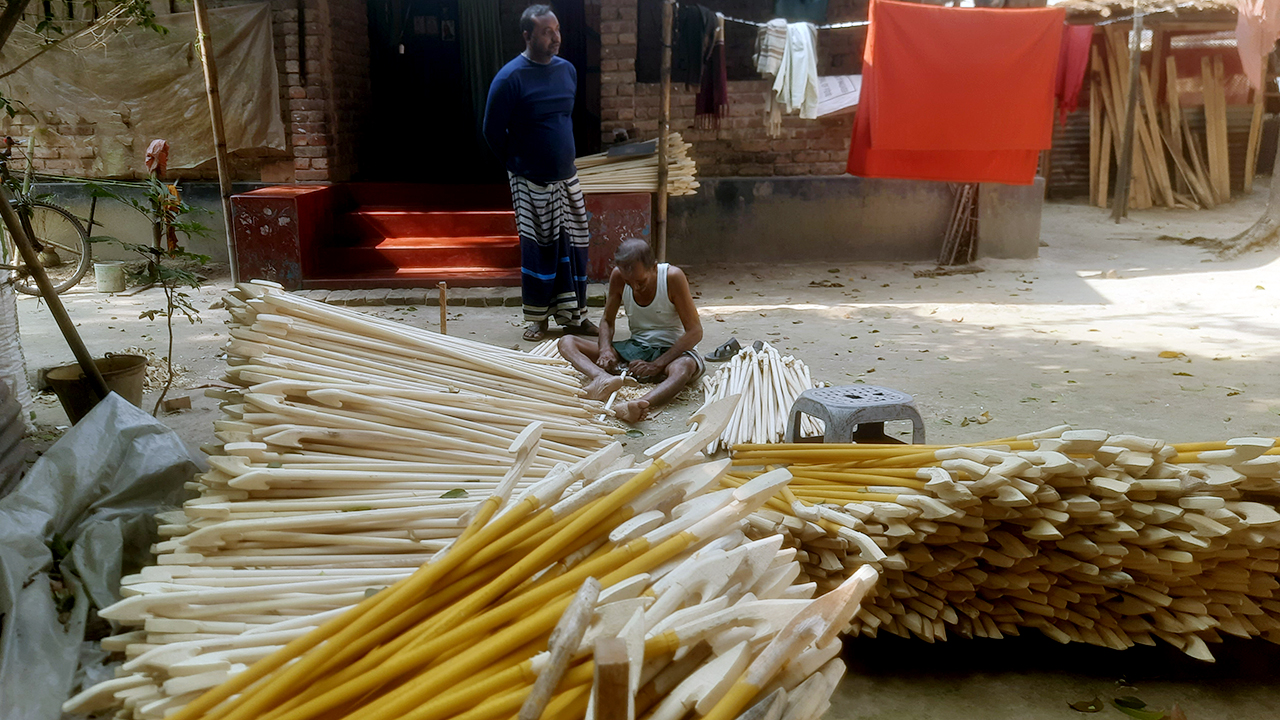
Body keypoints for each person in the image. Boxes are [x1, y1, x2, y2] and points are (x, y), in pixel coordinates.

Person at [483, 4, 596, 342]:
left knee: (576, 247)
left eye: (557, 29)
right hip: (528, 179)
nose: (556, 37)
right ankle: (538, 319)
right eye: (547, 32)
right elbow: (491, 131)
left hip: (566, 177)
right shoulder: (510, 78)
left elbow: (562, 120)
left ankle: (575, 317)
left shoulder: (568, 72)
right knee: (539, 249)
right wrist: (520, 164)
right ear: (528, 36)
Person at [559, 239, 704, 423]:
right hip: (636, 347)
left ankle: (637, 404)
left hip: (671, 351)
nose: (635, 287)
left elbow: (695, 332)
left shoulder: (672, 277)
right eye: (628, 283)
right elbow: (607, 320)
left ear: (654, 267)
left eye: (640, 282)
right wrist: (604, 350)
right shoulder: (618, 276)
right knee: (567, 342)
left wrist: (657, 364)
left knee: (684, 367)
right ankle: (601, 378)